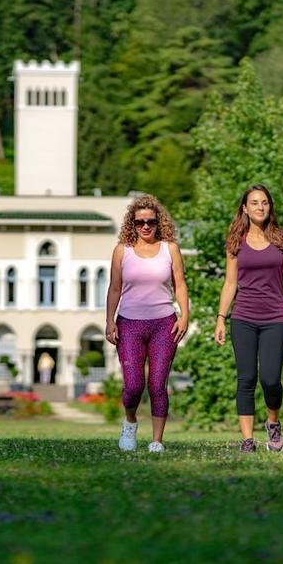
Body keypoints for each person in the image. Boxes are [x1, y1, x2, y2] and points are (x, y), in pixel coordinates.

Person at [213, 184, 283, 453]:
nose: (260, 207)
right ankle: (247, 440)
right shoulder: (234, 241)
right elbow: (230, 283)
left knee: (271, 379)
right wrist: (221, 317)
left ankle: (273, 423)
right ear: (245, 208)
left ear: (270, 206)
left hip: (275, 317)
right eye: (254, 202)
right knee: (246, 378)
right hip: (242, 317)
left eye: (264, 202)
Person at [105, 194, 189, 453]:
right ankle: (130, 423)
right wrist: (110, 321)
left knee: (157, 384)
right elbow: (114, 288)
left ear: (158, 222)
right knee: (133, 386)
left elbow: (180, 284)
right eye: (139, 221)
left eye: (150, 221)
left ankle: (157, 441)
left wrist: (185, 316)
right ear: (132, 223)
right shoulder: (122, 250)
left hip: (164, 323)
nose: (145, 226)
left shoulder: (170, 248)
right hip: (129, 324)